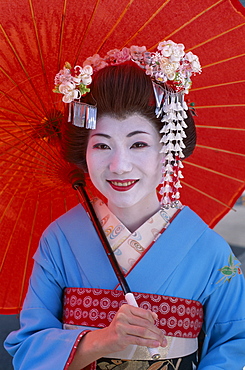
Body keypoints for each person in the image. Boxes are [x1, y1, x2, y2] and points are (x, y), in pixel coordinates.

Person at [4, 41, 245, 369]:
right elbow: (27, 347)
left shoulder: (210, 252)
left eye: (139, 143)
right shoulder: (59, 239)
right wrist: (99, 340)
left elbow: (236, 344)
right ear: (84, 154)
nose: (119, 165)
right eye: (102, 145)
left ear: (168, 152)